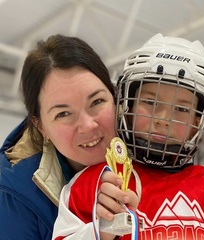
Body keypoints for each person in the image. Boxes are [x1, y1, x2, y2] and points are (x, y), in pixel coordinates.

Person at [52, 33, 204, 240]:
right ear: (127, 104)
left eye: (181, 109)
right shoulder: (94, 184)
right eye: (150, 103)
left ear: (198, 122)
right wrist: (101, 232)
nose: (164, 119)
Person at [0, 34, 138, 240]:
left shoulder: (157, 154)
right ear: (41, 127)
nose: (88, 125)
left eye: (97, 101)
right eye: (63, 114)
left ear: (115, 97)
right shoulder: (15, 195)